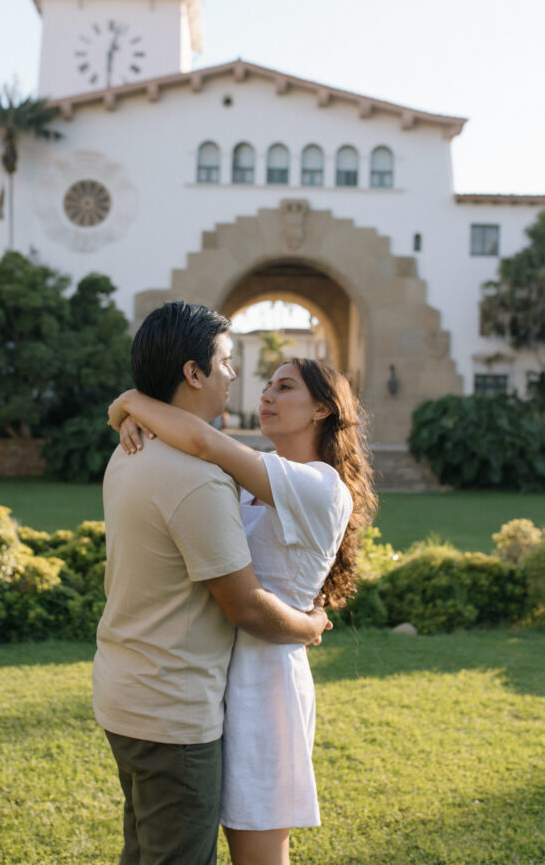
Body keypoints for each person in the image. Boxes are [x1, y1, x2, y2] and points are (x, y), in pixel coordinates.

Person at [109, 355, 378, 865]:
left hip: (265, 685)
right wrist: (135, 420)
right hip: (212, 679)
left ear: (322, 408)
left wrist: (127, 402)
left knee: (257, 855)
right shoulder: (256, 478)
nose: (267, 396)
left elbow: (205, 440)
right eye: (267, 386)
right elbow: (191, 447)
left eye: (285, 388)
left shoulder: (319, 486)